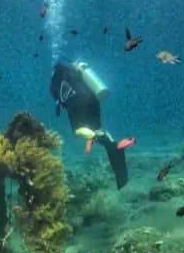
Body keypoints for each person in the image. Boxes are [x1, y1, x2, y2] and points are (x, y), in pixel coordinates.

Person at [50, 60, 128, 189]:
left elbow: (59, 101)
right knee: (98, 130)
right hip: (93, 99)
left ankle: (106, 141)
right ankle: (113, 145)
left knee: (78, 130)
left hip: (76, 103)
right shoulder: (75, 70)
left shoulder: (55, 79)